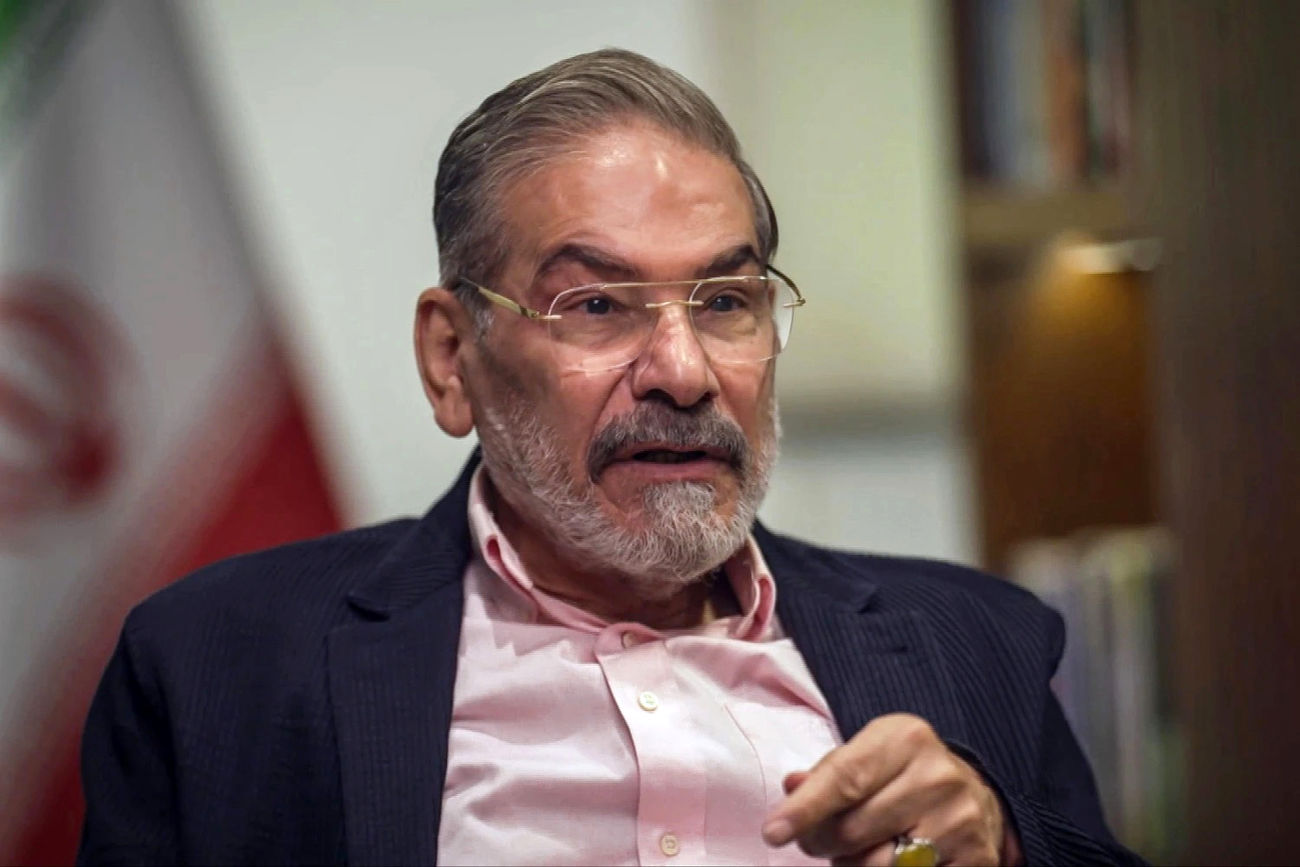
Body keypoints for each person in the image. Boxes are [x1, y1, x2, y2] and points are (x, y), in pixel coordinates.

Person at [78, 49, 1138, 866]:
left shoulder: (976, 641)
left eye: (725, 301)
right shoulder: (217, 667)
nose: (683, 371)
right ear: (452, 359)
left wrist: (1003, 846)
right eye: (595, 305)